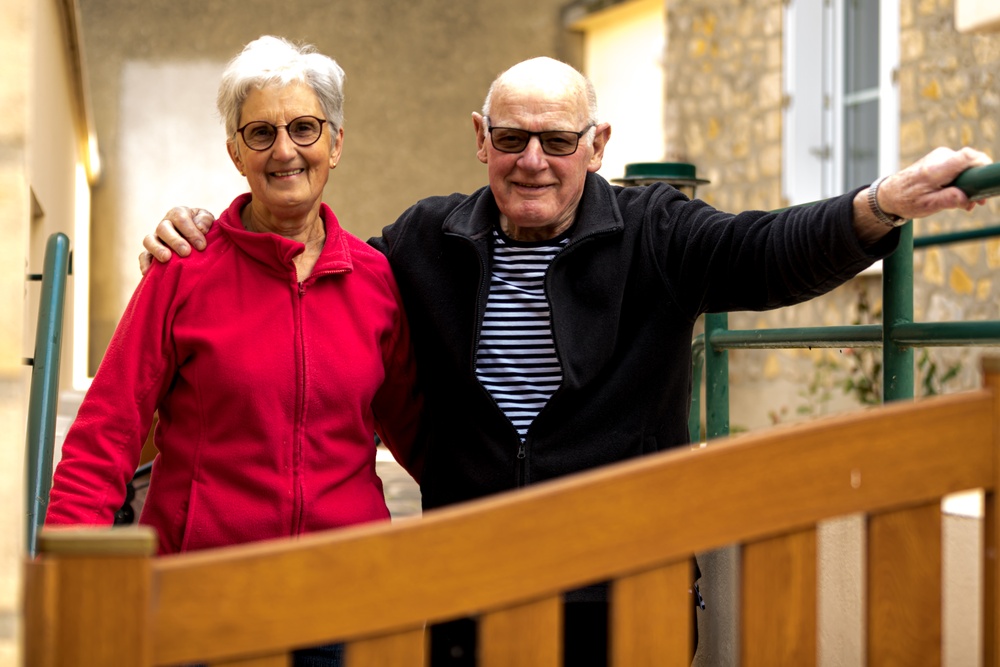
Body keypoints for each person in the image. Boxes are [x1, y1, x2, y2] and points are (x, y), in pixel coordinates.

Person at [142, 56, 991, 666]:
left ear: (597, 141)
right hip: (464, 586)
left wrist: (879, 206)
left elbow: (763, 250)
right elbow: (314, 282)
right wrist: (206, 232)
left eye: (557, 139)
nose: (534, 161)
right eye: (512, 138)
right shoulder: (423, 242)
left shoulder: (656, 232)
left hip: (621, 586)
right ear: (480, 138)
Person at [48, 35, 422, 667]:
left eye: (305, 128)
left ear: (335, 143)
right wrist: (72, 578)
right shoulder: (182, 271)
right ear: (234, 153)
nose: (284, 150)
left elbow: (421, 431)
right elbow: (107, 431)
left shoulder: (375, 278)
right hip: (205, 596)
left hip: (348, 597)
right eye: (260, 133)